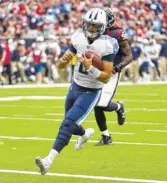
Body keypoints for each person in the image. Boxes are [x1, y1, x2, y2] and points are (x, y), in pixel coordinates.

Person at [35, 8, 118, 175]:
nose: (91, 29)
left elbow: (106, 77)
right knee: (70, 123)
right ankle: (85, 133)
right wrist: (62, 62)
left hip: (91, 91)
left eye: (95, 26)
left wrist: (91, 69)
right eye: (89, 25)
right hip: (75, 86)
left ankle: (48, 160)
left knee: (67, 124)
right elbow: (61, 64)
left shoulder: (107, 45)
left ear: (102, 28)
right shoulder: (78, 36)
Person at [94, 7, 133, 145]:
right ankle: (106, 137)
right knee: (96, 105)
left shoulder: (118, 33)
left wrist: (117, 67)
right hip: (97, 71)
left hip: (112, 72)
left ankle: (118, 107)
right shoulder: (94, 32)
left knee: (102, 104)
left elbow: (129, 56)